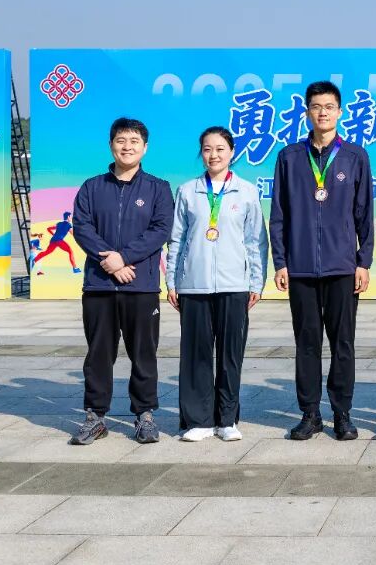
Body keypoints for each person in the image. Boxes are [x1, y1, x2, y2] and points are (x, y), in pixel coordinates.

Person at [269, 81, 374, 441]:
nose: (323, 112)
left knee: (343, 343)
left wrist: (363, 262)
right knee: (307, 343)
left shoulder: (354, 156)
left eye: (329, 106)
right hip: (300, 268)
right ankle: (310, 414)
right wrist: (280, 261)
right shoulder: (289, 157)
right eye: (316, 106)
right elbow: (279, 214)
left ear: (340, 112)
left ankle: (342, 413)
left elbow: (364, 214)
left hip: (342, 268)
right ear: (307, 112)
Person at [69, 117, 173, 445]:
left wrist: (124, 258)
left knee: (143, 353)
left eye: (134, 141)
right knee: (99, 354)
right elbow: (82, 227)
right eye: (121, 140)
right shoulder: (92, 187)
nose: (127, 147)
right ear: (111, 144)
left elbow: (160, 230)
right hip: (99, 286)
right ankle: (95, 416)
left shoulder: (158, 188)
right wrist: (111, 263)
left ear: (145, 147)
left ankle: (145, 415)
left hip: (140, 286)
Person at [166, 127, 268, 442]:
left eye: (220, 149)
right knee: (195, 355)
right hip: (193, 285)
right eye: (208, 149)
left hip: (234, 284)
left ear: (232, 152)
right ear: (201, 153)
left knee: (230, 355)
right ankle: (198, 421)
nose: (214, 155)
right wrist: (172, 281)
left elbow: (256, 241)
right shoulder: (188, 191)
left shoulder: (246, 191)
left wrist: (256, 282)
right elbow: (176, 240)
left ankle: (226, 419)